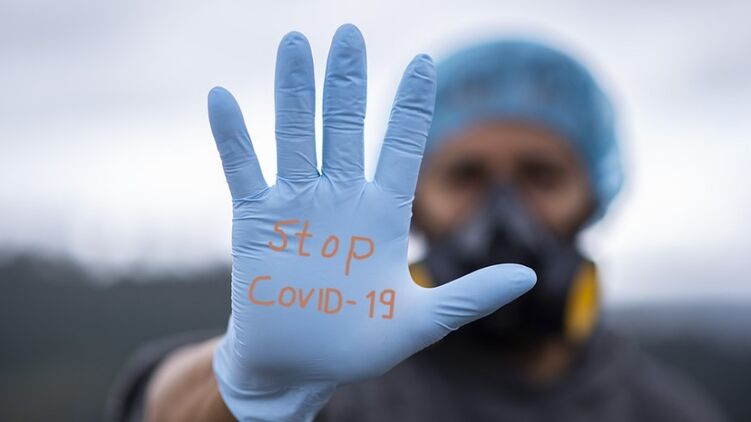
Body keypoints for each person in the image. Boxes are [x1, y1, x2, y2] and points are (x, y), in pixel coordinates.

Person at [107, 24, 727, 422]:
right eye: (465, 176)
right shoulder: (344, 382)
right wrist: (243, 383)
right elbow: (152, 409)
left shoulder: (669, 411)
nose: (504, 214)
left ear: (594, 197)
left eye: (540, 176)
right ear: (413, 200)